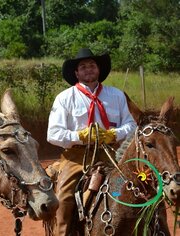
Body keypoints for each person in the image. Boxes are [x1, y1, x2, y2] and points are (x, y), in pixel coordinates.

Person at [47, 48, 136, 235]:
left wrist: (114, 134)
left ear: (98, 70)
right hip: (76, 158)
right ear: (76, 73)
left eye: (92, 65)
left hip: (112, 156)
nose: (88, 69)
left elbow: (131, 125)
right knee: (63, 198)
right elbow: (53, 134)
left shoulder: (117, 96)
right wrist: (79, 136)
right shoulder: (65, 98)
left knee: (133, 188)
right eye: (83, 66)